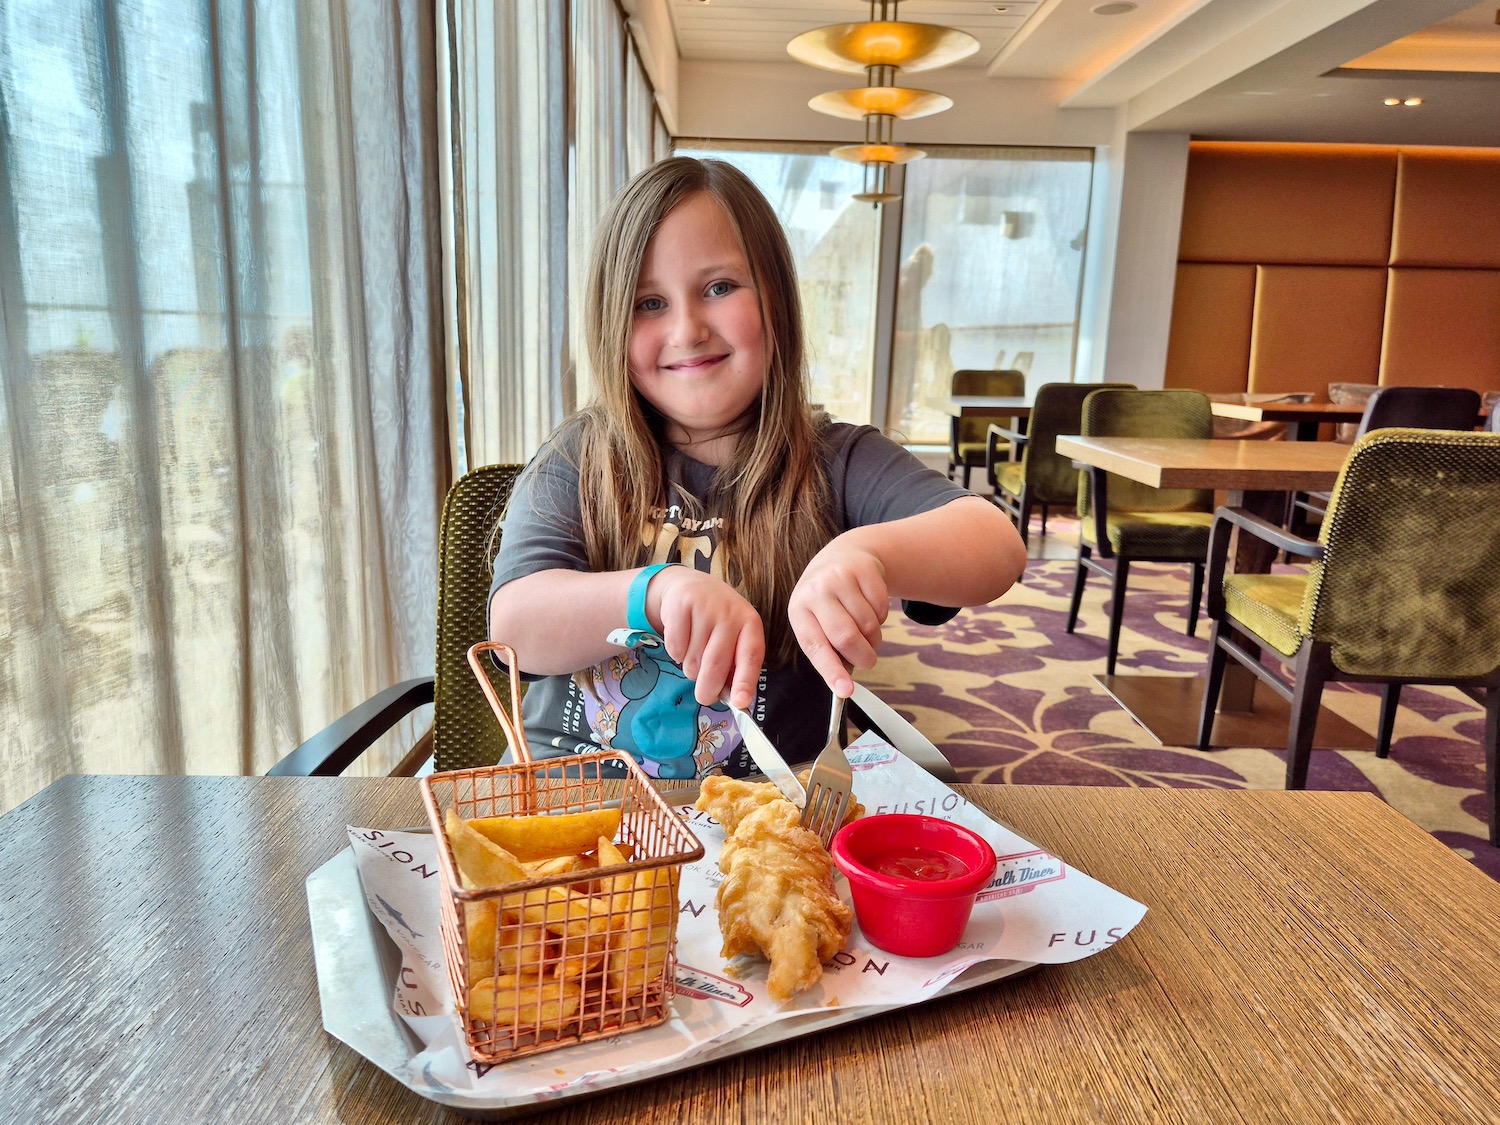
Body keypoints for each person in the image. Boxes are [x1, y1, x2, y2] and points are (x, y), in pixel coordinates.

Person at [488, 156, 1026, 780]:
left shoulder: (837, 460)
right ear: (611, 325)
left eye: (719, 288)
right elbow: (515, 629)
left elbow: (995, 545)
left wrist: (868, 554)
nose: (687, 329)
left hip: (767, 819)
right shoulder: (579, 457)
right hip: (568, 810)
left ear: (776, 300)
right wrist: (655, 593)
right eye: (650, 303)